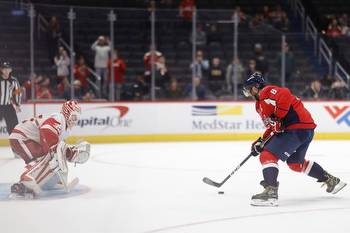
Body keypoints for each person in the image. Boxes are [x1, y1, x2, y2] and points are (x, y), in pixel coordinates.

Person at [243, 72, 347, 206]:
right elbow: (273, 126)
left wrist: (279, 117)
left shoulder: (266, 92)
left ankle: (270, 192)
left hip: (296, 128)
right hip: (305, 130)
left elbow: (285, 93)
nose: (248, 93)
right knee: (295, 163)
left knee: (267, 155)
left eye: (249, 89)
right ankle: (331, 180)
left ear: (256, 87)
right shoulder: (259, 105)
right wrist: (261, 141)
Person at [8, 100, 90, 199]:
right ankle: (25, 183)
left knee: (51, 157)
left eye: (77, 118)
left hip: (25, 137)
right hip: (22, 137)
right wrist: (67, 153)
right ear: (67, 114)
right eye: (74, 117)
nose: (75, 121)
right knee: (52, 157)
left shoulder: (63, 127)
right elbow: (47, 131)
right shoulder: (59, 119)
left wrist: (70, 153)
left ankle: (49, 181)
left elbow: (58, 147)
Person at [0, 62, 21, 136]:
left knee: (14, 127)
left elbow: (17, 92)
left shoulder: (14, 81)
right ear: (1, 70)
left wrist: (17, 104)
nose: (6, 70)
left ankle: (15, 145)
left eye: (7, 68)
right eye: (4, 69)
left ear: (10, 70)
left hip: (9, 106)